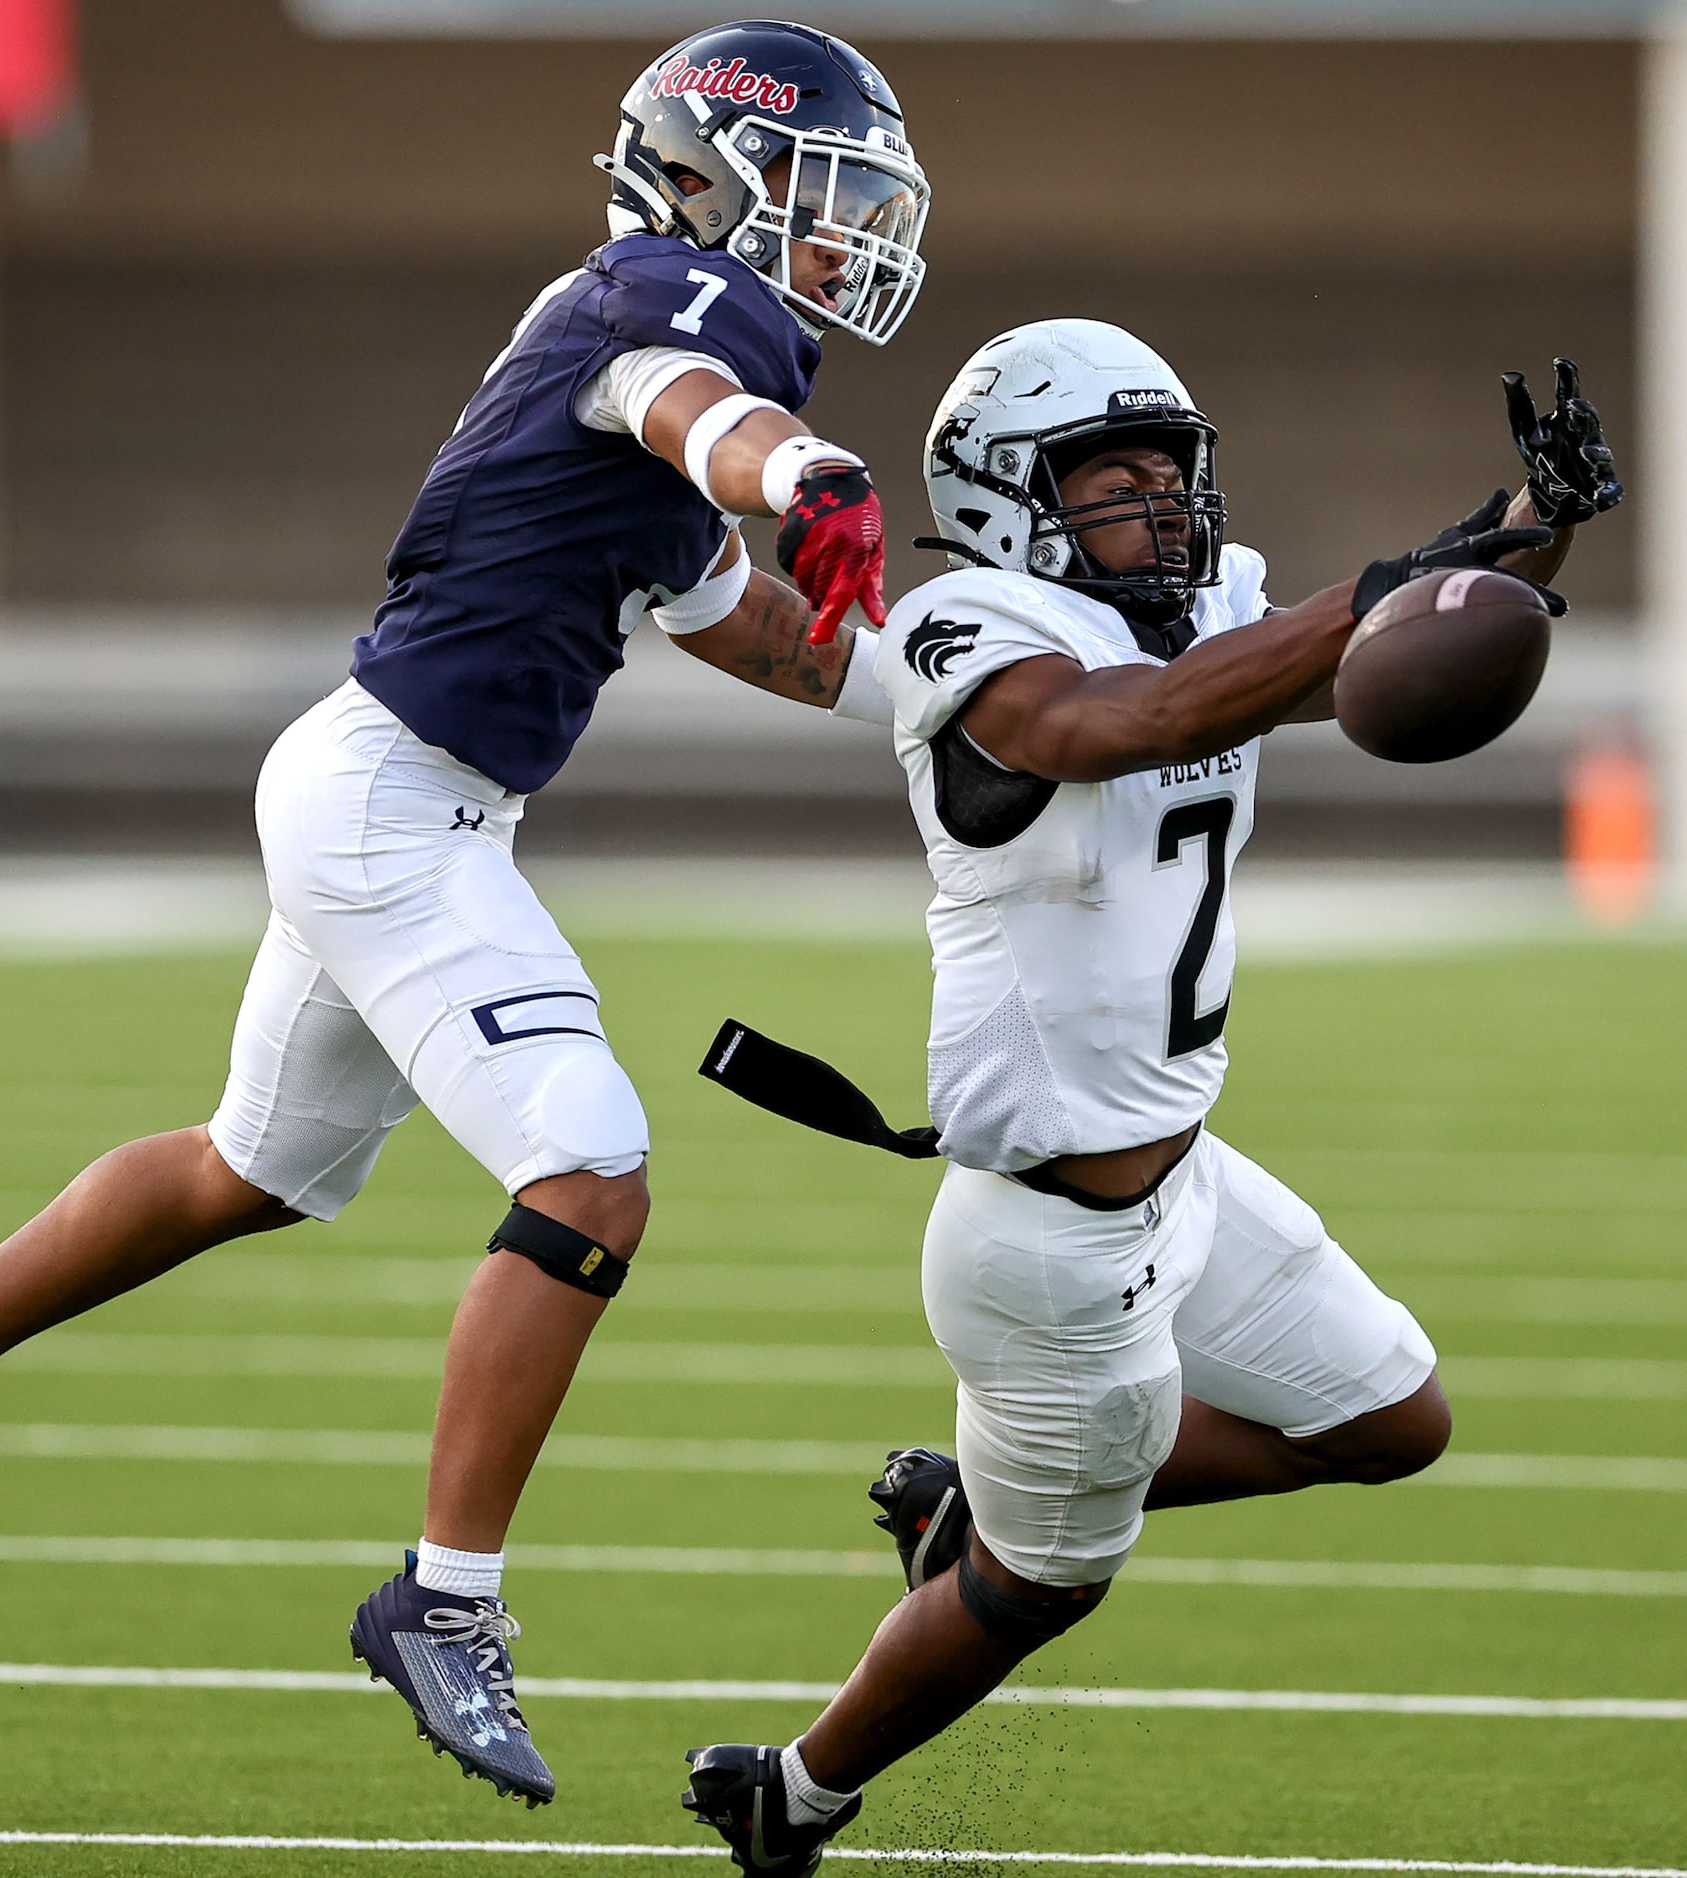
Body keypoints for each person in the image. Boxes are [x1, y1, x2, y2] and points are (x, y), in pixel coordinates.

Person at [0, 19, 931, 1810]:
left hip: (383, 787)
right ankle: (443, 1597)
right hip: (394, 807)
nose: (843, 237)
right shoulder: (667, 306)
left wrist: (976, 702)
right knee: (588, 1171)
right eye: (826, 196)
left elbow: (761, 632)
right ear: (720, 176)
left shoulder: (647, 334)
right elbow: (690, 416)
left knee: (259, 1162)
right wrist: (800, 472)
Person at [682, 325, 1622, 1872]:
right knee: (1038, 1590)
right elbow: (1122, 722)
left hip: (1183, 1177)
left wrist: (1522, 532)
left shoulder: (1207, 608)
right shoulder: (968, 623)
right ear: (1001, 497)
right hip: (1046, 1240)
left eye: (1166, 471)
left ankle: (977, 1497)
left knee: (1395, 1419)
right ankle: (791, 1788)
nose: (1159, 507)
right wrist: (1387, 586)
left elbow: (1347, 672)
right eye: (1108, 479)